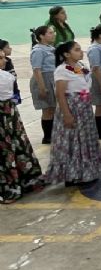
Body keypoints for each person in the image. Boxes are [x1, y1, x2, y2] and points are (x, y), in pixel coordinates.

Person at [43, 41, 101, 187]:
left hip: (83, 107)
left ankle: (85, 171)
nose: (81, 52)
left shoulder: (79, 67)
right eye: (77, 50)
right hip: (72, 107)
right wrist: (66, 114)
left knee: (85, 139)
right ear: (66, 54)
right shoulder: (62, 70)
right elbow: (60, 94)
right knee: (73, 140)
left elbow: (85, 81)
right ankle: (71, 174)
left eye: (80, 49)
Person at [0, 46, 44, 204]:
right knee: (16, 144)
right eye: (1, 58)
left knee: (6, 148)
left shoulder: (6, 76)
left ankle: (11, 183)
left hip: (6, 116)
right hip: (10, 115)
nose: (5, 60)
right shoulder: (8, 76)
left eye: (4, 57)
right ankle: (25, 178)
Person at [29, 26, 57, 144]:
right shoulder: (38, 50)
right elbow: (37, 70)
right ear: (41, 36)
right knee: (47, 110)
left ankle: (54, 134)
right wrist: (42, 87)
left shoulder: (50, 48)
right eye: (50, 33)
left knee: (54, 108)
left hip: (52, 79)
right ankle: (47, 137)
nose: (53, 34)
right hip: (43, 80)